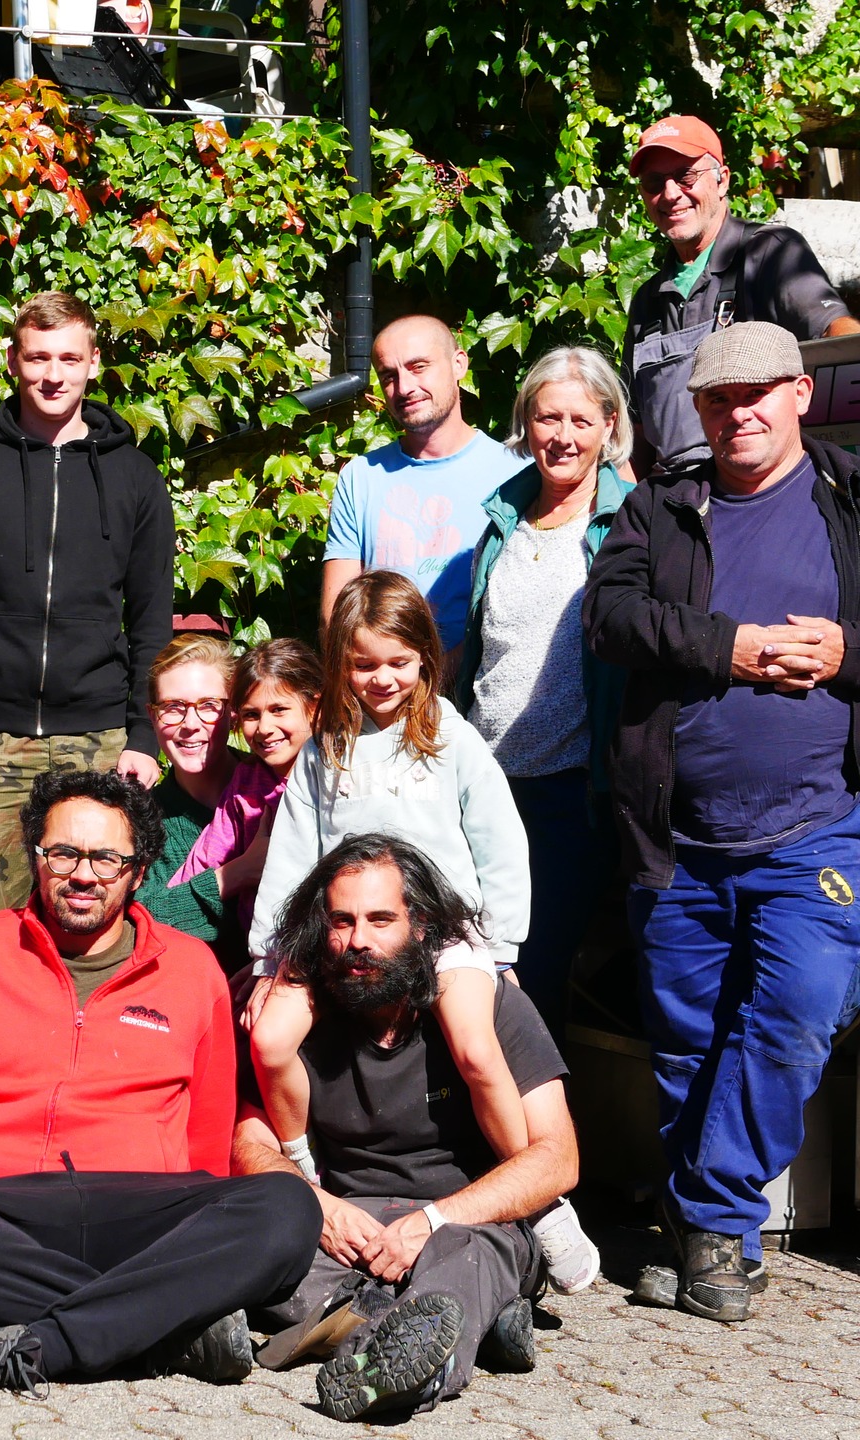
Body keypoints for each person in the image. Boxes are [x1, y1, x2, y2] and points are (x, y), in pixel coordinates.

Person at [0, 768, 322, 1395]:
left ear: (139, 869)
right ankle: (167, 1328)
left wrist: (197, 1229)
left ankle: (15, 1348)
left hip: (141, 1215)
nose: (82, 874)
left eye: (106, 858)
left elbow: (206, 1135)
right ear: (35, 856)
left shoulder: (193, 968)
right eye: (64, 853)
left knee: (287, 1208)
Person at [584, 320, 860, 1323]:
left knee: (795, 1015)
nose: (737, 411)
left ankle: (701, 1216)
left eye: (756, 393)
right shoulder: (662, 507)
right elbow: (610, 618)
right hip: (677, 838)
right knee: (690, 1045)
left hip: (821, 830)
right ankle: (717, 1244)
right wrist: (729, 647)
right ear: (696, 410)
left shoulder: (848, 500)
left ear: (797, 393)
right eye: (717, 398)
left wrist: (842, 653)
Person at [247, 571, 597, 1292]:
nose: (382, 679)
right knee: (270, 1039)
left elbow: (499, 843)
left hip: (444, 933)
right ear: (340, 661)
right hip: (343, 935)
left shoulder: (449, 735)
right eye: (364, 663)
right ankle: (306, 1176)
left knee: (475, 1049)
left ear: (426, 661)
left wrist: (500, 952)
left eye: (399, 662)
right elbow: (291, 856)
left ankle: (534, 1197)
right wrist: (268, 959)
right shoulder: (327, 749)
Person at [233, 834, 581, 1421]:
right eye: (341, 921)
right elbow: (248, 1141)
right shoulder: (298, 1018)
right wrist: (317, 1205)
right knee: (251, 1236)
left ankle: (399, 1363)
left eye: (380, 919)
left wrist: (435, 1219)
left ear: (421, 927)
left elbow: (557, 1159)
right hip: (344, 1229)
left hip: (467, 1221)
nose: (357, 941)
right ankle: (458, 1328)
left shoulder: (493, 1007)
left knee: (466, 1258)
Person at [0, 291, 175, 924]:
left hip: (100, 738)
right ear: (13, 361)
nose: (53, 374)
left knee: (93, 916)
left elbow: (151, 618)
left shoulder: (135, 478)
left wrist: (145, 733)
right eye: (37, 358)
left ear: (92, 363)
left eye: (68, 358)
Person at [454, 348, 632, 1039]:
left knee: (532, 978)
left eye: (580, 420)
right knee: (461, 969)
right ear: (525, 424)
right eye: (545, 416)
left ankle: (543, 1140)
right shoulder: (503, 518)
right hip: (482, 783)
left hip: (567, 795)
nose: (561, 435)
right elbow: (485, 648)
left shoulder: (628, 525)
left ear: (609, 424)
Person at [621, 114, 859, 479]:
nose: (669, 194)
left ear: (722, 180)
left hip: (762, 491)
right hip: (673, 504)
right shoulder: (646, 301)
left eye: (685, 175)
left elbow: (837, 334)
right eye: (654, 182)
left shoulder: (770, 254)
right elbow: (634, 433)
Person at [320, 316, 525, 656]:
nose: (404, 388)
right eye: (389, 376)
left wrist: (440, 678)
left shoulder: (516, 470)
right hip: (382, 690)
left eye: (418, 367)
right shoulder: (361, 477)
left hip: (481, 688)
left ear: (459, 364)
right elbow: (336, 614)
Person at [169, 638, 322, 936]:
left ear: (314, 708)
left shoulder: (336, 776)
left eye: (279, 709)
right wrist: (170, 910)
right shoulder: (247, 782)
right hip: (258, 947)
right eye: (252, 714)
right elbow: (205, 857)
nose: (264, 728)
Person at [132, 634, 266, 956]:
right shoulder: (143, 820)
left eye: (208, 706)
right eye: (172, 708)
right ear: (152, 717)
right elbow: (136, 923)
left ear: (232, 712)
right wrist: (235, 874)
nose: (190, 724)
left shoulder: (271, 789)